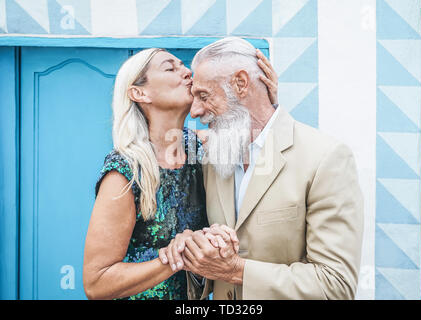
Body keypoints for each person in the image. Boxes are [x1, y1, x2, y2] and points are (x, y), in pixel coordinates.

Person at [162, 37, 364, 300]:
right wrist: (199, 259)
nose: (196, 111)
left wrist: (236, 270)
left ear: (241, 83)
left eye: (203, 95)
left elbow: (335, 285)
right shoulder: (212, 158)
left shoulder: (326, 158)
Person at [82, 47, 278, 300]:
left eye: (184, 65)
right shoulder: (125, 172)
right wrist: (177, 257)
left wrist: (262, 98)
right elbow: (96, 283)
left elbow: (262, 141)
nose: (187, 72)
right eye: (170, 68)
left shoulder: (203, 148)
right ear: (139, 93)